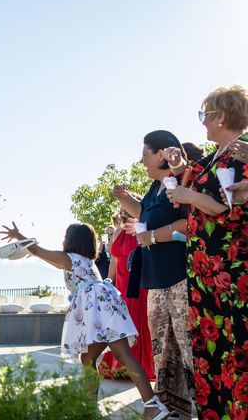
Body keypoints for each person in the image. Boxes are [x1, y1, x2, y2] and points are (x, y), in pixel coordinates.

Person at [0, 221, 169, 420]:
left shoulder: (69, 258)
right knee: (93, 358)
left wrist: (19, 236)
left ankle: (149, 406)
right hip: (106, 306)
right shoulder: (83, 260)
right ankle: (104, 406)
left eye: (65, 237)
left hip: (97, 310)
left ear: (72, 240)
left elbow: (37, 250)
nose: (62, 240)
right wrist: (28, 247)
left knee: (108, 357)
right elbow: (45, 257)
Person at [164, 85, 248, 419]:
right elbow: (198, 181)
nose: (202, 124)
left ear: (221, 116)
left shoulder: (242, 153)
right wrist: (178, 164)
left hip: (229, 270)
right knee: (213, 353)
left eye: (205, 115)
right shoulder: (216, 156)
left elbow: (227, 208)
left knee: (233, 348)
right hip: (206, 273)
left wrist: (189, 197)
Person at [113, 130, 194, 416]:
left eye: (145, 154)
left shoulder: (183, 180)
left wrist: (156, 237)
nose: (141, 160)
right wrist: (124, 198)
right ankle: (173, 407)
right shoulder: (153, 188)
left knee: (187, 344)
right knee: (163, 347)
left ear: (162, 154)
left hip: (179, 277)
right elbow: (143, 213)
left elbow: (189, 222)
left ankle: (201, 404)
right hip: (155, 280)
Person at [98, 206, 155, 382]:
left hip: (139, 284)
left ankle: (144, 366)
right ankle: (124, 366)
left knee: (141, 324)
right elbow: (114, 261)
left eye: (126, 210)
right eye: (122, 211)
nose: (123, 214)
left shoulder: (143, 228)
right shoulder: (117, 233)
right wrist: (108, 282)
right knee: (124, 326)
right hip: (121, 287)